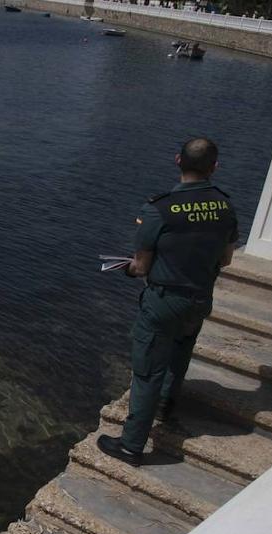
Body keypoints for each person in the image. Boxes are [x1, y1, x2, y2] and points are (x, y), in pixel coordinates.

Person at [97, 137, 238, 467]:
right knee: (180, 354)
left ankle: (131, 445)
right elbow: (226, 259)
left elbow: (141, 266)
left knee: (148, 370)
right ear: (214, 167)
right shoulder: (225, 207)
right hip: (200, 297)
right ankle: (164, 406)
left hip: (164, 300)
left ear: (177, 161)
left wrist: (127, 268)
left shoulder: (159, 208)